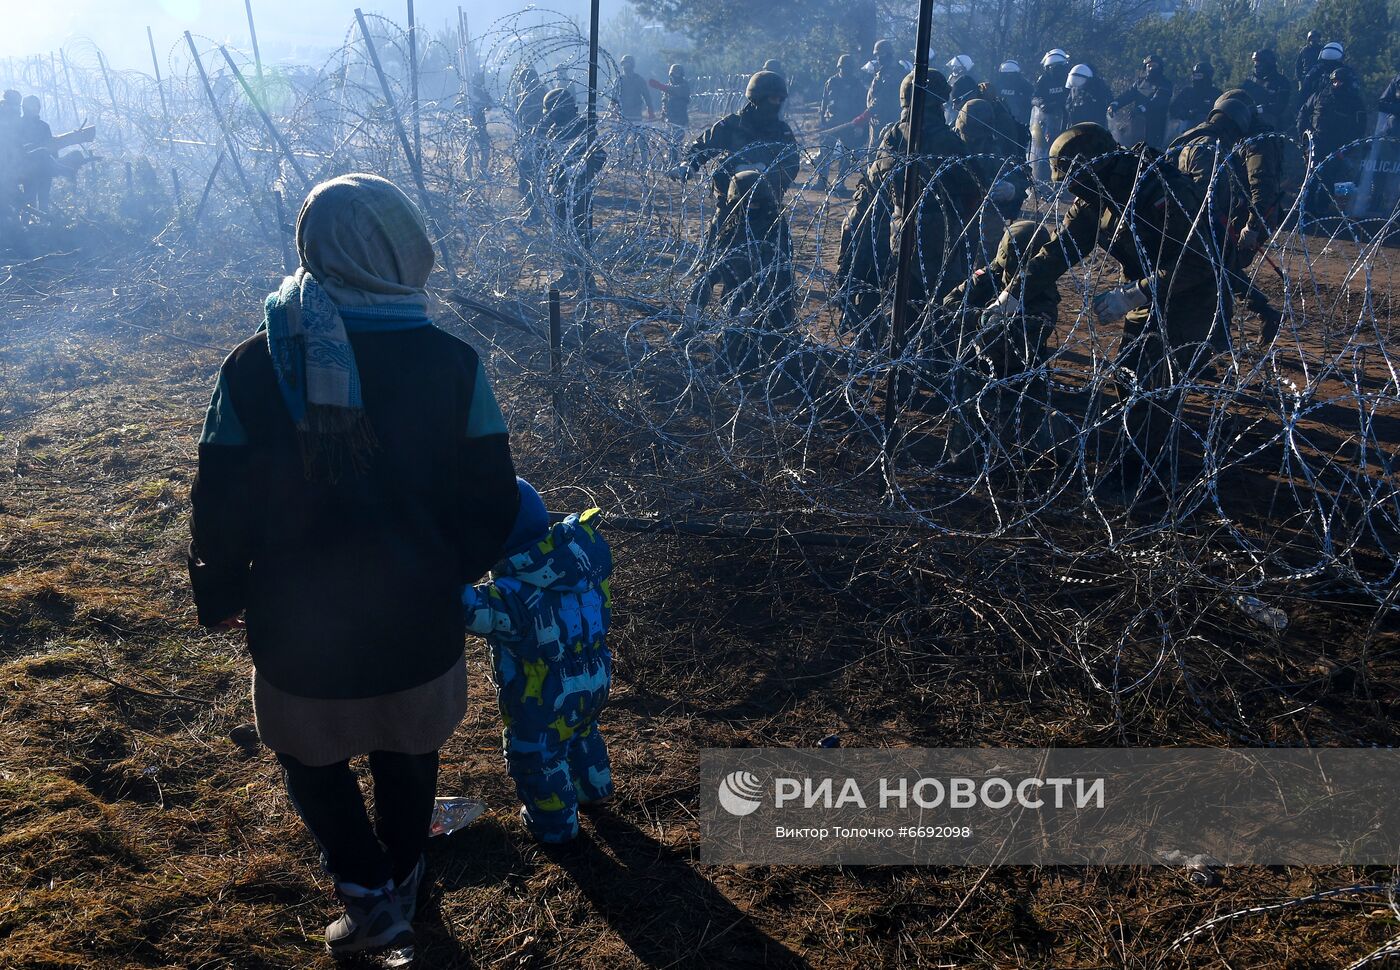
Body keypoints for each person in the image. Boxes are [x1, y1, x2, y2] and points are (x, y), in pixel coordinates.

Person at [188, 173, 520, 957]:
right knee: (410, 750)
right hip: (417, 617)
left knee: (312, 758)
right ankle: (403, 879)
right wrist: (445, 568)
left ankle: (367, 897)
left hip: (299, 624)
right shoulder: (452, 363)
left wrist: (224, 590)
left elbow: (219, 496)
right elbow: (493, 501)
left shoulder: (254, 363)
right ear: (404, 251)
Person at [983, 123, 1222, 507]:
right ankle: (1142, 460)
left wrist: (1136, 292)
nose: (1073, 190)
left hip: (1188, 298)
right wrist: (1013, 293)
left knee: (1153, 387)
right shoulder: (1098, 197)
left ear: (1097, 166)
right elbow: (1059, 250)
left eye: (1077, 179)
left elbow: (1199, 263)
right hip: (1145, 296)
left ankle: (1143, 477)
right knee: (1129, 380)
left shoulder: (1156, 192)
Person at [462, 484, 613, 845]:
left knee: (537, 756)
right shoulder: (579, 567)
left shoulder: (511, 598)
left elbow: (460, 606)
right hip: (595, 680)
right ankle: (595, 788)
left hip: (544, 700)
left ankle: (555, 827)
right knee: (581, 734)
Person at [678, 71, 800, 311]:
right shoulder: (732, 125)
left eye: (779, 99)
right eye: (773, 99)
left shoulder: (782, 131)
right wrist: (688, 165)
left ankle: (752, 318)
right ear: (758, 98)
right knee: (712, 262)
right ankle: (691, 318)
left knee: (775, 263)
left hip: (767, 211)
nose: (777, 104)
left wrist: (768, 174)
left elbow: (792, 165)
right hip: (731, 207)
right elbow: (701, 148)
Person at [867, 70, 980, 321]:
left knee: (905, 292)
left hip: (900, 222)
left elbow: (875, 178)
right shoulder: (946, 140)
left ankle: (902, 347)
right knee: (943, 297)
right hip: (940, 227)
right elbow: (972, 183)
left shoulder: (893, 135)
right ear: (933, 103)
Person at [539, 87, 607, 285]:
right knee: (561, 232)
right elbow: (549, 158)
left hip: (580, 191)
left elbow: (601, 156)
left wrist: (582, 166)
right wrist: (552, 176)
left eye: (553, 111)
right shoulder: (554, 131)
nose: (550, 117)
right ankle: (569, 273)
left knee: (581, 233)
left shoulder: (584, 128)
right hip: (558, 189)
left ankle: (587, 277)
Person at [1297, 64, 1368, 222]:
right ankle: (1304, 210)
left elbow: (1360, 127)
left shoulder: (1354, 102)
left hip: (1337, 147)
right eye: (1334, 81)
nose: (1337, 84)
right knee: (1311, 177)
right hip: (1316, 143)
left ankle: (1320, 211)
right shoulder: (1320, 95)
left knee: (1328, 179)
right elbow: (1303, 113)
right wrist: (1305, 138)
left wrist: (1348, 148)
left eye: (1340, 81)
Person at [814, 53, 869, 193]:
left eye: (848, 68)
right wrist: (822, 121)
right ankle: (821, 181)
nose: (845, 70)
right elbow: (824, 103)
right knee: (824, 152)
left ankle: (840, 183)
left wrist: (859, 126)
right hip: (831, 124)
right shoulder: (831, 82)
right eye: (843, 67)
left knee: (845, 155)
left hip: (849, 125)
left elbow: (863, 106)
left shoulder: (858, 85)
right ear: (839, 67)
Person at [1110, 55, 1174, 148]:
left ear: (1160, 67)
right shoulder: (1140, 82)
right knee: (1131, 147)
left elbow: (1158, 100)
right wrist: (1115, 104)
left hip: (1156, 124)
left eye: (1154, 66)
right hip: (1138, 124)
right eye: (1149, 66)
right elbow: (1128, 95)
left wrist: (1142, 108)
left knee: (1152, 150)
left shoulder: (1165, 83)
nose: (1151, 68)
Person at [512, 64, 548, 222]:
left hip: (536, 141)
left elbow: (535, 120)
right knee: (533, 178)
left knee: (528, 178)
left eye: (523, 81)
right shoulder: (536, 93)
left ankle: (535, 214)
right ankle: (538, 212)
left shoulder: (535, 95)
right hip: (533, 141)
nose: (522, 84)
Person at [1032, 50, 1071, 180]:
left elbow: (1072, 95)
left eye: (1059, 67)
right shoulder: (1044, 79)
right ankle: (1045, 178)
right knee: (1046, 151)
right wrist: (1041, 103)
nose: (1056, 70)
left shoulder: (1069, 77)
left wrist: (1058, 103)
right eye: (1053, 67)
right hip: (1047, 121)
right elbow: (1034, 97)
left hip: (1068, 118)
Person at [866, 39, 905, 149]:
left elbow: (882, 99)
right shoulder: (883, 72)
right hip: (878, 121)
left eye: (880, 54)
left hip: (887, 121)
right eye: (876, 55)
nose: (878, 58)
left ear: (888, 54)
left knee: (878, 156)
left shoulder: (893, 74)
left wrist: (868, 112)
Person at [649, 64, 691, 165]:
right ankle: (673, 162)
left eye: (677, 74)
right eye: (673, 73)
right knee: (670, 142)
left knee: (675, 142)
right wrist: (662, 116)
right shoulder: (667, 87)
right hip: (669, 120)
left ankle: (674, 163)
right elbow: (665, 103)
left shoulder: (684, 86)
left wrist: (662, 87)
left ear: (681, 75)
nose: (675, 76)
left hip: (680, 120)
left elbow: (677, 90)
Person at [1241, 49, 1292, 132]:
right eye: (1255, 63)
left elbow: (1280, 106)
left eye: (1259, 63)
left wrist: (1259, 109)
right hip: (1249, 117)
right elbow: (1240, 97)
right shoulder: (1249, 81)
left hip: (1272, 120)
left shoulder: (1281, 82)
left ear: (1268, 64)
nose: (1256, 66)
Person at [1170, 62, 1221, 133]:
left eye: (1199, 76)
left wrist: (1203, 113)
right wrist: (1186, 114)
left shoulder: (1215, 93)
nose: (1196, 79)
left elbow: (1220, 111)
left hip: (1208, 126)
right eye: (1195, 76)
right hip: (1187, 125)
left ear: (1207, 77)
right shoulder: (1187, 92)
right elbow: (1174, 108)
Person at [1066, 63, 1111, 128]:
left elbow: (1106, 104)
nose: (1077, 83)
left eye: (1079, 79)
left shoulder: (1099, 87)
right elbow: (1068, 105)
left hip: (1096, 126)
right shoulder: (1074, 89)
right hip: (1076, 125)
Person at [613, 54, 655, 121]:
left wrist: (650, 111)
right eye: (623, 64)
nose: (625, 66)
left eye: (627, 63)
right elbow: (613, 98)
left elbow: (647, 97)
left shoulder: (639, 80)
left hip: (636, 114)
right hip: (622, 115)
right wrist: (613, 111)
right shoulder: (618, 80)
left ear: (632, 65)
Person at [995, 60, 1034, 128]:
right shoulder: (997, 85)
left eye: (1011, 75)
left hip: (1021, 118)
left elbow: (1031, 96)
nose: (1008, 77)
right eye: (1006, 75)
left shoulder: (1024, 84)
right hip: (1002, 117)